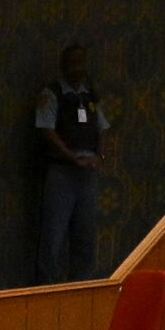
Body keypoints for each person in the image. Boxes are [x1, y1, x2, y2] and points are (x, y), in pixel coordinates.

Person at [28, 43, 109, 283]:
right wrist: (70, 156)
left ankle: (81, 291)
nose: (77, 68)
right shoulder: (51, 93)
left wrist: (99, 155)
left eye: (81, 63)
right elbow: (46, 129)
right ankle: (45, 292)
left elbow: (102, 127)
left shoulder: (89, 95)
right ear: (63, 65)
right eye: (72, 63)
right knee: (52, 238)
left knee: (86, 238)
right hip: (62, 172)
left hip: (88, 174)